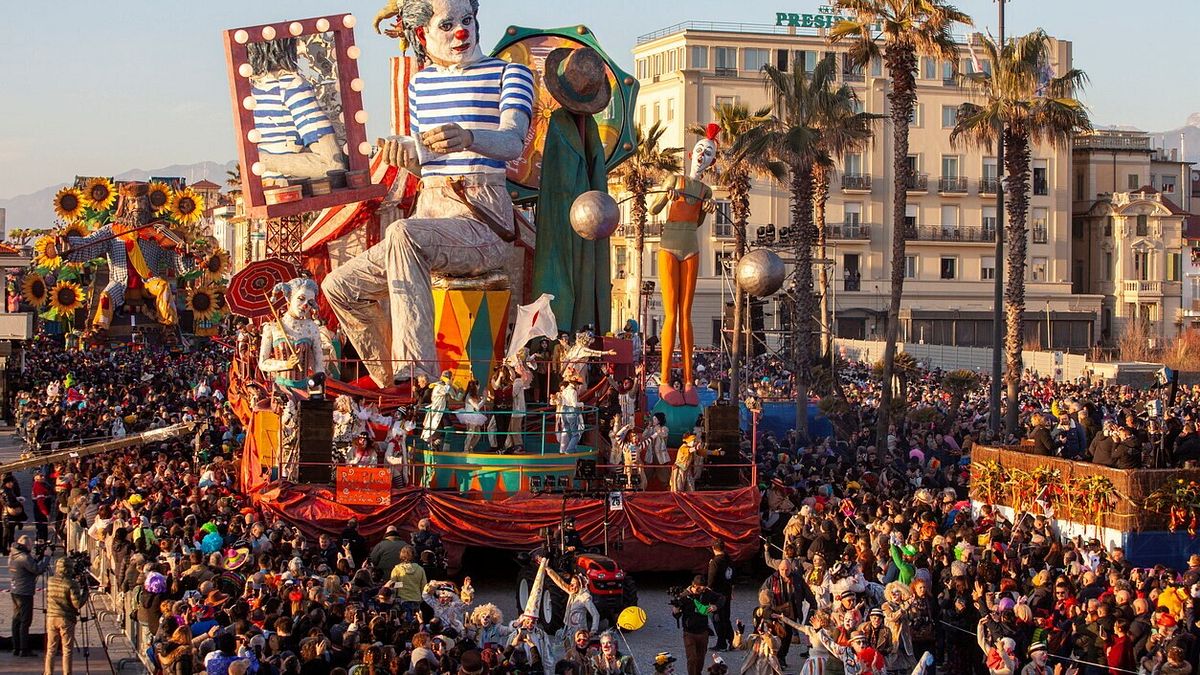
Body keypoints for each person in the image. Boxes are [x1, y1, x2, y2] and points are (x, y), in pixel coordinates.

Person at [322, 0, 535, 388]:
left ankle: (417, 374)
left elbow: (512, 141)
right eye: (448, 23)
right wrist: (404, 157)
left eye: (467, 20)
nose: (461, 32)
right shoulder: (420, 84)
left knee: (403, 234)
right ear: (422, 34)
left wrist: (469, 137)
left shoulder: (511, 74)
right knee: (339, 285)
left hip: (481, 220)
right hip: (430, 212)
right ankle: (390, 383)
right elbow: (427, 165)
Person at [530, 45, 613, 333]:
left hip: (577, 215)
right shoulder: (569, 126)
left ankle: (568, 325)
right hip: (568, 216)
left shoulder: (581, 128)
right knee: (567, 265)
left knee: (571, 264)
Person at [648, 124, 718, 407]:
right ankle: (665, 380)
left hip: (691, 247)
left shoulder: (705, 191)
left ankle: (689, 382)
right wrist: (667, 195)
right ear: (692, 153)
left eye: (708, 153)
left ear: (711, 162)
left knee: (685, 315)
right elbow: (654, 209)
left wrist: (704, 209)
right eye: (701, 150)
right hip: (668, 246)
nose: (703, 155)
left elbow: (697, 222)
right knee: (671, 315)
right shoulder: (674, 180)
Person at [45, 556, 88, 675]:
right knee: (67, 650)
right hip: (65, 619)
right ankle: (67, 673)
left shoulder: (50, 581)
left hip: (51, 617)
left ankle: (48, 672)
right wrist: (85, 593)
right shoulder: (71, 584)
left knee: (51, 649)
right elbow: (77, 604)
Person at [674, 575, 724, 675]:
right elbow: (677, 614)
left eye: (704, 587)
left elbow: (721, 598)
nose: (703, 589)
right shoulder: (684, 596)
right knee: (692, 659)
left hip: (703, 632)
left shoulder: (707, 593)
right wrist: (676, 612)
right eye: (701, 587)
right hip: (689, 632)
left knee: (701, 659)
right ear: (694, 585)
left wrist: (715, 606)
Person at [9, 534, 48, 658]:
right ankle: (24, 649)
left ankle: (16, 647)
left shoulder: (13, 554)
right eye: (31, 545)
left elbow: (30, 566)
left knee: (16, 619)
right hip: (24, 592)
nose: (32, 547)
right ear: (26, 545)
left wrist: (37, 557)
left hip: (15, 590)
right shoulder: (23, 557)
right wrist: (46, 557)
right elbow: (37, 569)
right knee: (25, 621)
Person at [708, 540, 735, 652]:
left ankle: (721, 643)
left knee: (717, 618)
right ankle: (731, 639)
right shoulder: (729, 559)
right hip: (727, 592)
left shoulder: (715, 562)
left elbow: (712, 578)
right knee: (726, 617)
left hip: (717, 594)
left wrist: (708, 590)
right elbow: (733, 575)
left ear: (713, 548)